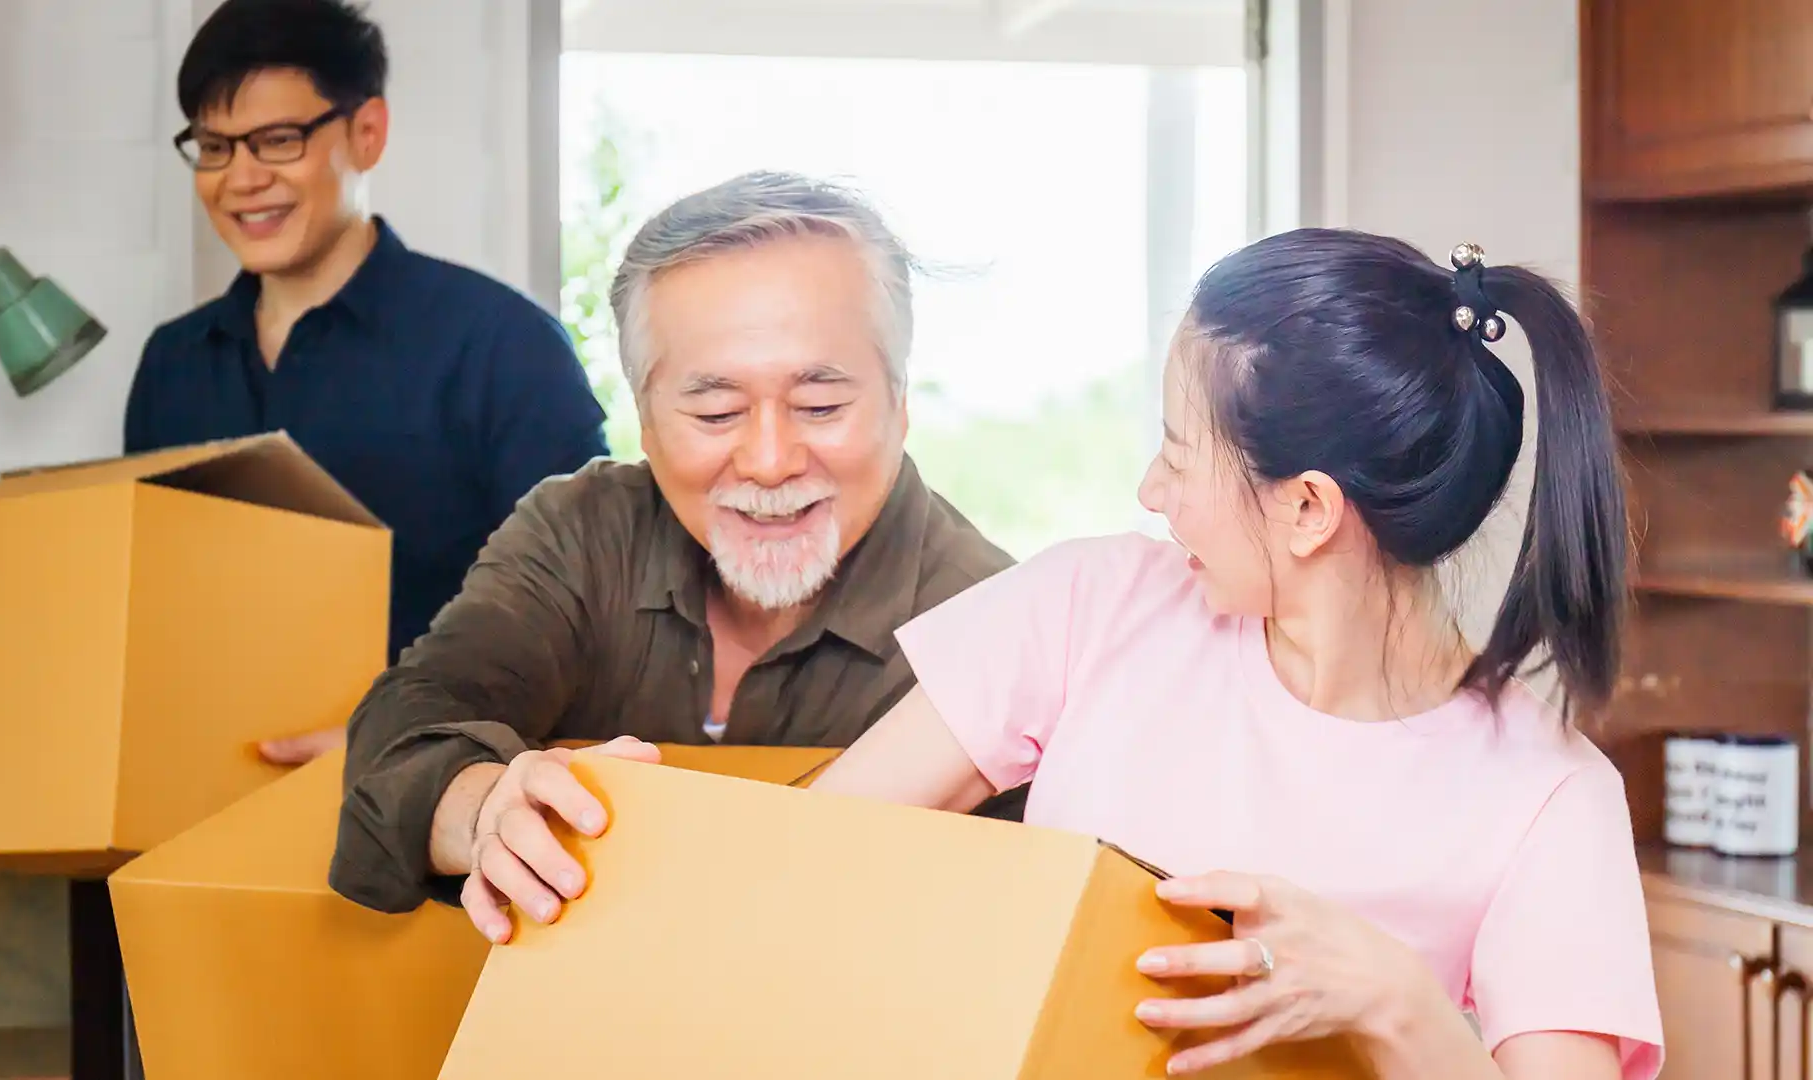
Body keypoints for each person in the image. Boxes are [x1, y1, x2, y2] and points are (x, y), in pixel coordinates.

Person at [505, 231, 1665, 1079]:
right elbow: (814, 853)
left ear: (1307, 510)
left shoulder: (1547, 799)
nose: (1149, 493)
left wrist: (1395, 1002)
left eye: (1177, 452)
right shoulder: (1095, 605)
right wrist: (618, 829)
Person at [329, 171, 1022, 934]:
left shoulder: (995, 626)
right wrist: (484, 805)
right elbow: (415, 713)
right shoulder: (579, 532)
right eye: (715, 410)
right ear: (646, 422)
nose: (768, 459)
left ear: (899, 403)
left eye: (820, 406)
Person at [127, 0, 608, 740]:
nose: (241, 178)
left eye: (277, 141)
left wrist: (390, 745)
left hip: (421, 814)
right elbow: (142, 609)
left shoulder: (501, 345)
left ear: (367, 132)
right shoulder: (172, 363)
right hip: (187, 799)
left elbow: (590, 618)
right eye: (216, 147)